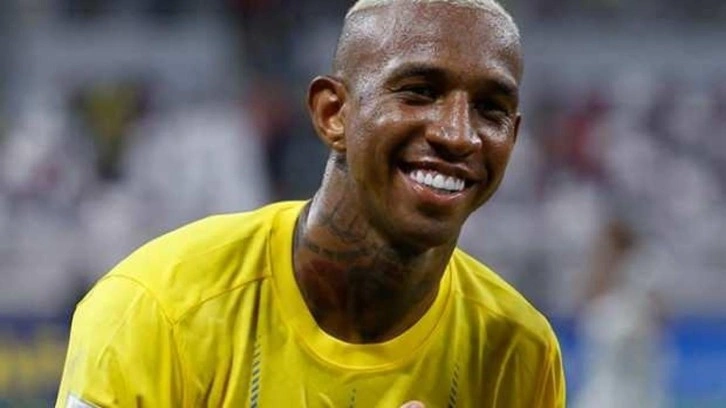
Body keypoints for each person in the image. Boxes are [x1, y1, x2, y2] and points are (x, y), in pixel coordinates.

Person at [56, 0, 566, 406]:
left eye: (491, 109)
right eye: (418, 92)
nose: (458, 135)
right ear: (332, 113)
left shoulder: (519, 351)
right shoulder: (157, 308)